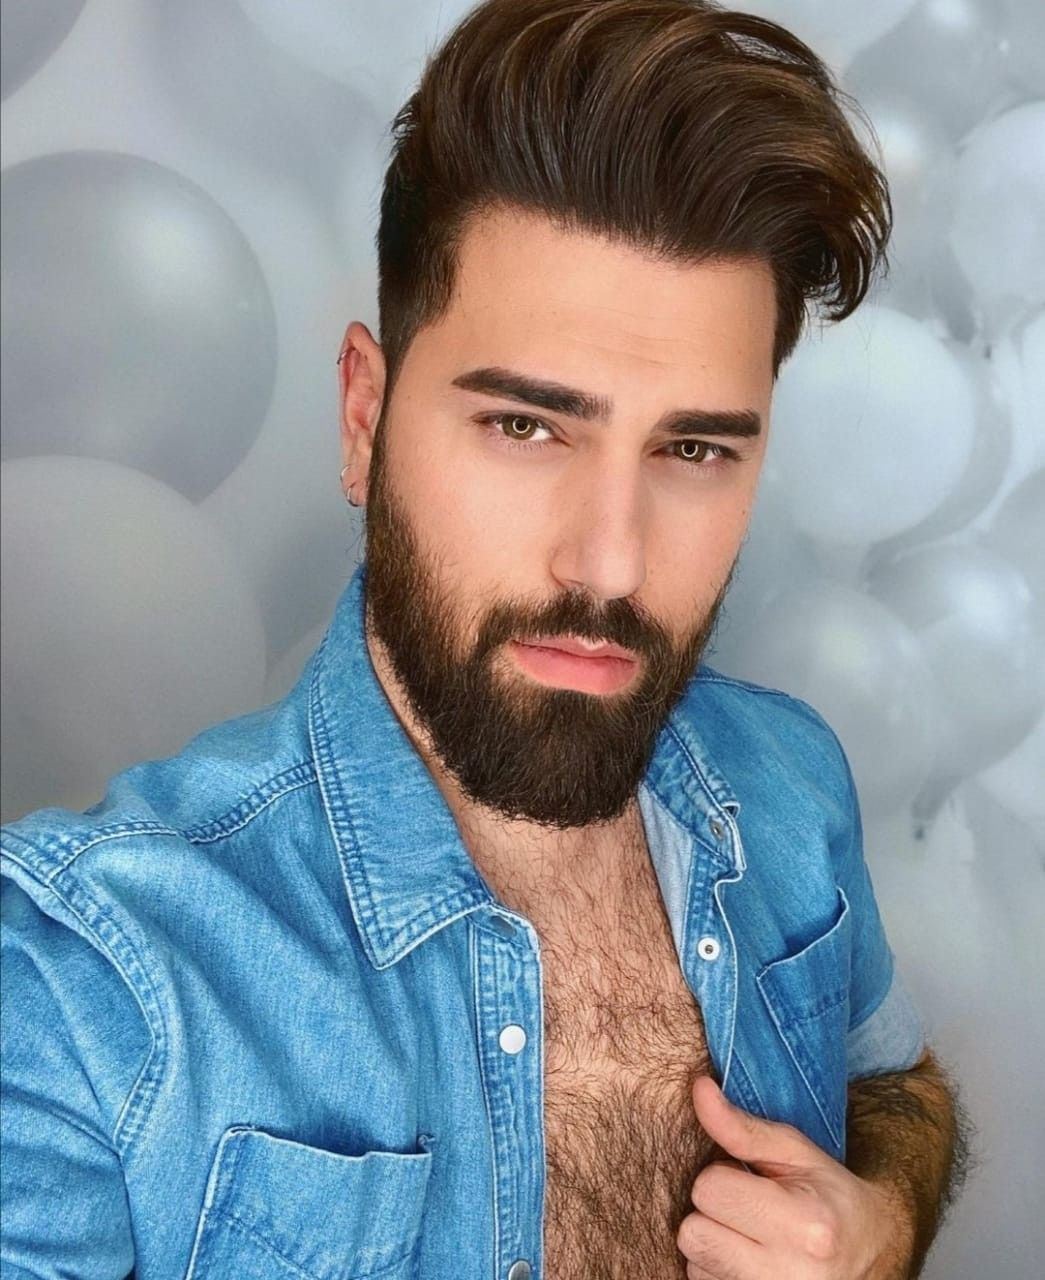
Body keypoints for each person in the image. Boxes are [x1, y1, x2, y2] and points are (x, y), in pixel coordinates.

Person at [1, 1, 973, 1276]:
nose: (609, 563)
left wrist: (881, 1222)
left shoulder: (789, 777)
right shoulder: (81, 978)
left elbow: (891, 1082)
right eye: (526, 427)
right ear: (364, 418)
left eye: (691, 448)